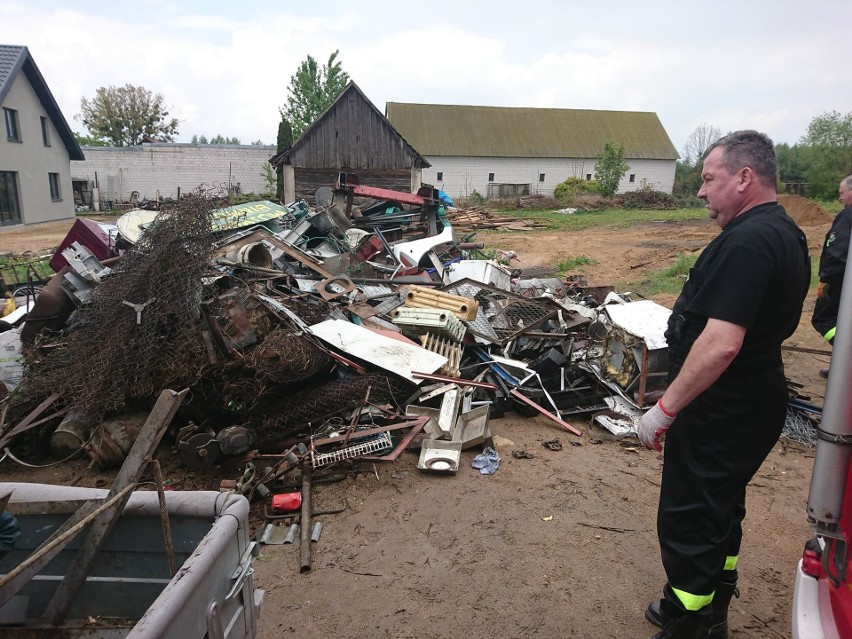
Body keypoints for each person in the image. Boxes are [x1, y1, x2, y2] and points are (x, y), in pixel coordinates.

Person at [637, 130, 810, 639]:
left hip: (723, 408)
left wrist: (664, 409)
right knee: (720, 508)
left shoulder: (751, 241)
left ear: (744, 177)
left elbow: (720, 343)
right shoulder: (783, 232)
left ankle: (691, 624)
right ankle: (705, 605)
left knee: (691, 516)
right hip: (749, 400)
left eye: (708, 179)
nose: (700, 192)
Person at [811, 174, 852, 376]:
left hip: (839, 281)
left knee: (823, 319)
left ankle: (845, 361)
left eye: (841, 193)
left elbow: (837, 253)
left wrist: (825, 280)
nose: (840, 198)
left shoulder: (847, 216)